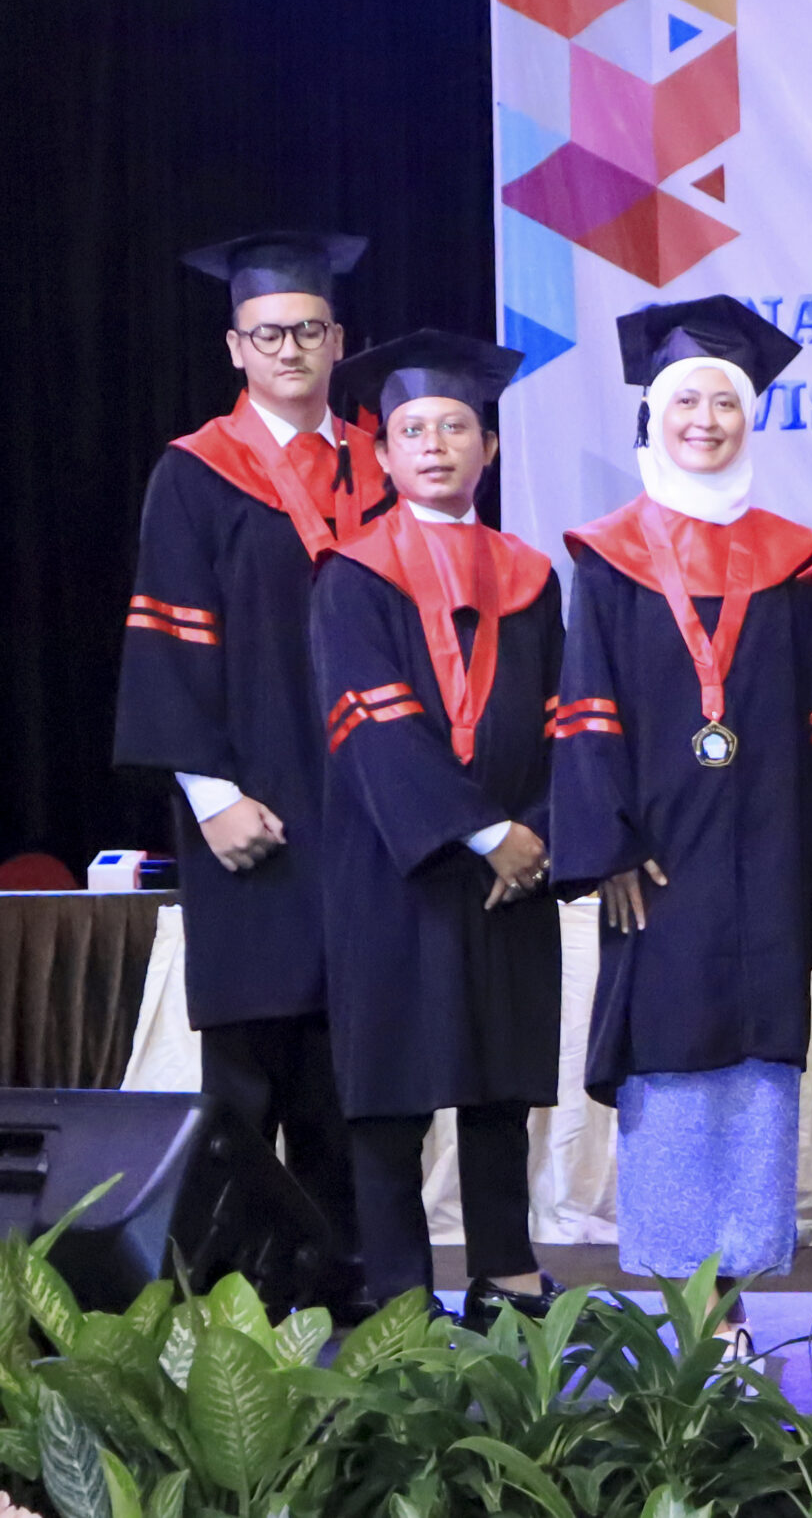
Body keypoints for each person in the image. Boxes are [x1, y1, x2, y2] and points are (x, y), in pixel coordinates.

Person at [549, 296, 812, 1353]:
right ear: (652, 416)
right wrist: (609, 844)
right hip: (660, 860)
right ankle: (687, 1301)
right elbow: (585, 708)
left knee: (756, 1070)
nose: (705, 421)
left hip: (769, 851)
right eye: (686, 402)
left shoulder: (791, 561)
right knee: (671, 1066)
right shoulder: (610, 557)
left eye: (725, 403)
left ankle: (740, 1293)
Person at [114, 230, 372, 1309]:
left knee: (353, 1062)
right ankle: (234, 1293)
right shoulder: (195, 473)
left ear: (338, 338)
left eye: (307, 330)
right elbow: (167, 650)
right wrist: (212, 800)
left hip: (367, 816)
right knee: (252, 1061)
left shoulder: (384, 469)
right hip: (250, 809)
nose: (289, 349)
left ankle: (353, 1282)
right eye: (267, 334)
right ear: (235, 347)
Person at [308, 330, 562, 1327]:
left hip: (514, 871)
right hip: (393, 867)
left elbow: (564, 719)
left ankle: (507, 1277)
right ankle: (402, 1298)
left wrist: (536, 830)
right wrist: (485, 832)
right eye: (413, 430)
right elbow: (372, 724)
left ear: (487, 448)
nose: (435, 446)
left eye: (456, 427)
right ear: (382, 453)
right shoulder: (352, 574)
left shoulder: (530, 575)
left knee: (498, 1085)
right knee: (391, 1096)